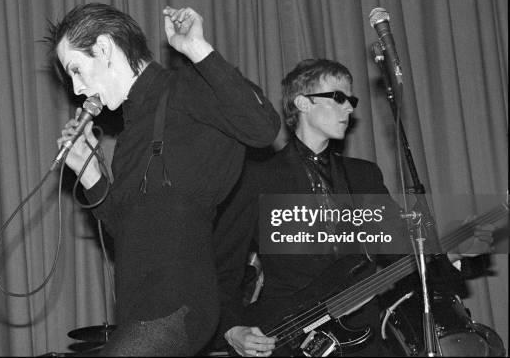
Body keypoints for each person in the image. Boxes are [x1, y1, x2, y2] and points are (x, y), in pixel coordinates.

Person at [212, 58, 495, 357]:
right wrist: (233, 329)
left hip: (362, 338)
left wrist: (457, 252)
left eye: (351, 99)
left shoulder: (363, 176)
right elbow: (221, 268)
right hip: (284, 336)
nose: (349, 107)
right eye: (338, 98)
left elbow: (401, 252)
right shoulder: (258, 176)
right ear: (302, 103)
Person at [46, 3, 280, 356]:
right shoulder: (128, 134)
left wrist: (197, 49)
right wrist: (90, 171)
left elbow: (264, 128)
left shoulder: (186, 86)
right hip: (139, 309)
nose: (77, 89)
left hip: (179, 304)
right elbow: (123, 228)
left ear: (105, 48)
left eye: (77, 70)